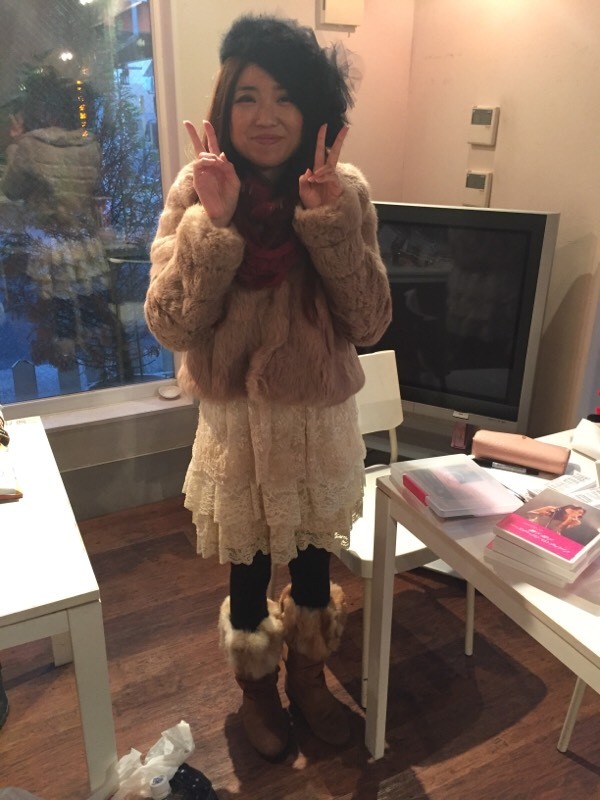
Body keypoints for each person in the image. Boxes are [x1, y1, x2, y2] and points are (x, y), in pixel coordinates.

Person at [144, 14, 391, 761]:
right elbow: (170, 324)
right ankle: (256, 690)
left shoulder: (344, 191)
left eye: (285, 97)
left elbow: (370, 320)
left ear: (311, 110)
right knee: (247, 570)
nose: (267, 115)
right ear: (225, 106)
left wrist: (328, 221)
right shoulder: (197, 188)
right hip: (239, 433)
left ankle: (309, 680)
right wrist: (214, 224)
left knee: (313, 565)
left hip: (317, 429)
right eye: (248, 96)